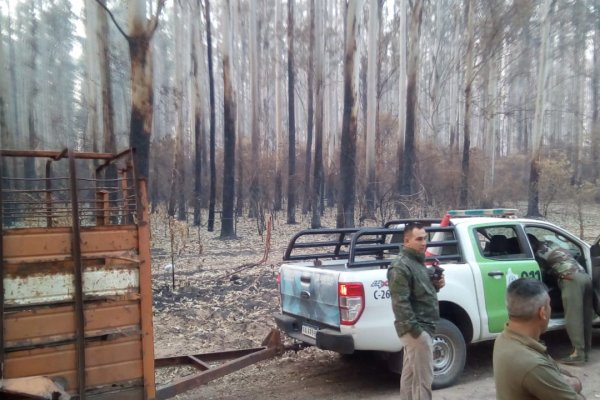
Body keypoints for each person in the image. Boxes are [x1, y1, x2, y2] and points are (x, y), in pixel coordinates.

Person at [493, 278, 584, 400]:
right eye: (549, 305)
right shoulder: (532, 365)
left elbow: (552, 370)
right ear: (542, 312)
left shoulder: (503, 338)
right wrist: (577, 383)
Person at [388, 222, 445, 400]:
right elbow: (400, 303)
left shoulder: (418, 263)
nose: (423, 243)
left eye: (425, 238)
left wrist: (436, 285)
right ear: (406, 241)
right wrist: (416, 331)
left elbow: (421, 294)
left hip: (422, 328)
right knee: (424, 381)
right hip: (417, 330)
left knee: (411, 376)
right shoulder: (400, 266)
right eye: (418, 239)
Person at [528, 234, 593, 364]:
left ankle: (578, 355)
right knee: (585, 317)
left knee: (573, 318)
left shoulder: (539, 252)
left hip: (571, 280)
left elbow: (540, 271)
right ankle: (585, 352)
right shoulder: (552, 245)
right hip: (584, 277)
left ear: (531, 244)